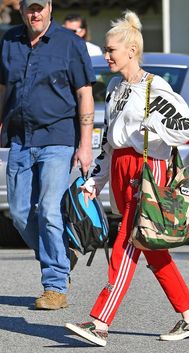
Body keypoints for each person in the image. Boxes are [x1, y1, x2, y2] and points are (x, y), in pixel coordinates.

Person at [64, 10, 189, 346]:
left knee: (125, 245)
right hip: (120, 169)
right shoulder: (115, 87)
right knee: (151, 247)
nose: (106, 54)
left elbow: (187, 126)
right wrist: (93, 181)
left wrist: (154, 125)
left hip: (145, 170)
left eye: (111, 49)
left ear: (131, 51)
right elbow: (111, 142)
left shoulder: (155, 86)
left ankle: (99, 322)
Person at [0, 0, 95, 310]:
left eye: (40, 8)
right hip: (20, 140)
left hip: (58, 138)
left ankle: (54, 285)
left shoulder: (70, 44)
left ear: (51, 7)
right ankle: (61, 255)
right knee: (18, 213)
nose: (35, 14)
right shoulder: (10, 41)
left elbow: (84, 94)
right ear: (22, 9)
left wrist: (85, 144)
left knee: (49, 209)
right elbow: (3, 89)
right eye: (30, 8)